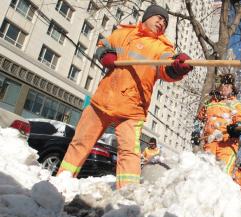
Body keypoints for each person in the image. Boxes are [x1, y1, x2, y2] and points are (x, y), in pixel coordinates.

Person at [56, 4, 193, 189]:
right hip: (102, 101)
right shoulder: (122, 34)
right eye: (158, 18)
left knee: (129, 152)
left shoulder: (162, 48)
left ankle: (127, 193)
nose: (162, 22)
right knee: (80, 142)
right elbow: (102, 45)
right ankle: (61, 181)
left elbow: (166, 68)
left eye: (165, 22)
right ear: (146, 17)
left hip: (132, 109)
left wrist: (177, 68)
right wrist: (104, 54)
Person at [192, 73, 241, 176]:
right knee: (206, 174)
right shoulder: (209, 103)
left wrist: (237, 129)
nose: (225, 88)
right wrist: (196, 132)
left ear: (232, 88)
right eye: (223, 85)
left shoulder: (235, 103)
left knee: (222, 175)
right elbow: (199, 119)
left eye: (228, 86)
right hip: (210, 142)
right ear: (218, 86)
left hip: (228, 143)